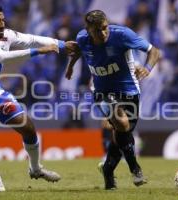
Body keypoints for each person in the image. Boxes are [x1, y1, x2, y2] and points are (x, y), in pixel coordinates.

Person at [0, 3, 76, 191]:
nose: (2, 24)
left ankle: (36, 169)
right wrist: (38, 52)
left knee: (27, 125)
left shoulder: (6, 35)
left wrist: (60, 44)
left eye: (3, 19)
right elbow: (2, 57)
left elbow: (31, 38)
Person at [65, 10, 160, 190]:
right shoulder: (82, 37)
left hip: (129, 90)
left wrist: (147, 68)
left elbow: (154, 51)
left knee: (121, 134)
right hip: (101, 91)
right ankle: (135, 169)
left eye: (105, 28)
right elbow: (78, 49)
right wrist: (70, 67)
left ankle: (108, 171)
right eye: (97, 31)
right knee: (121, 123)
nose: (103, 33)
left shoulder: (122, 35)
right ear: (88, 30)